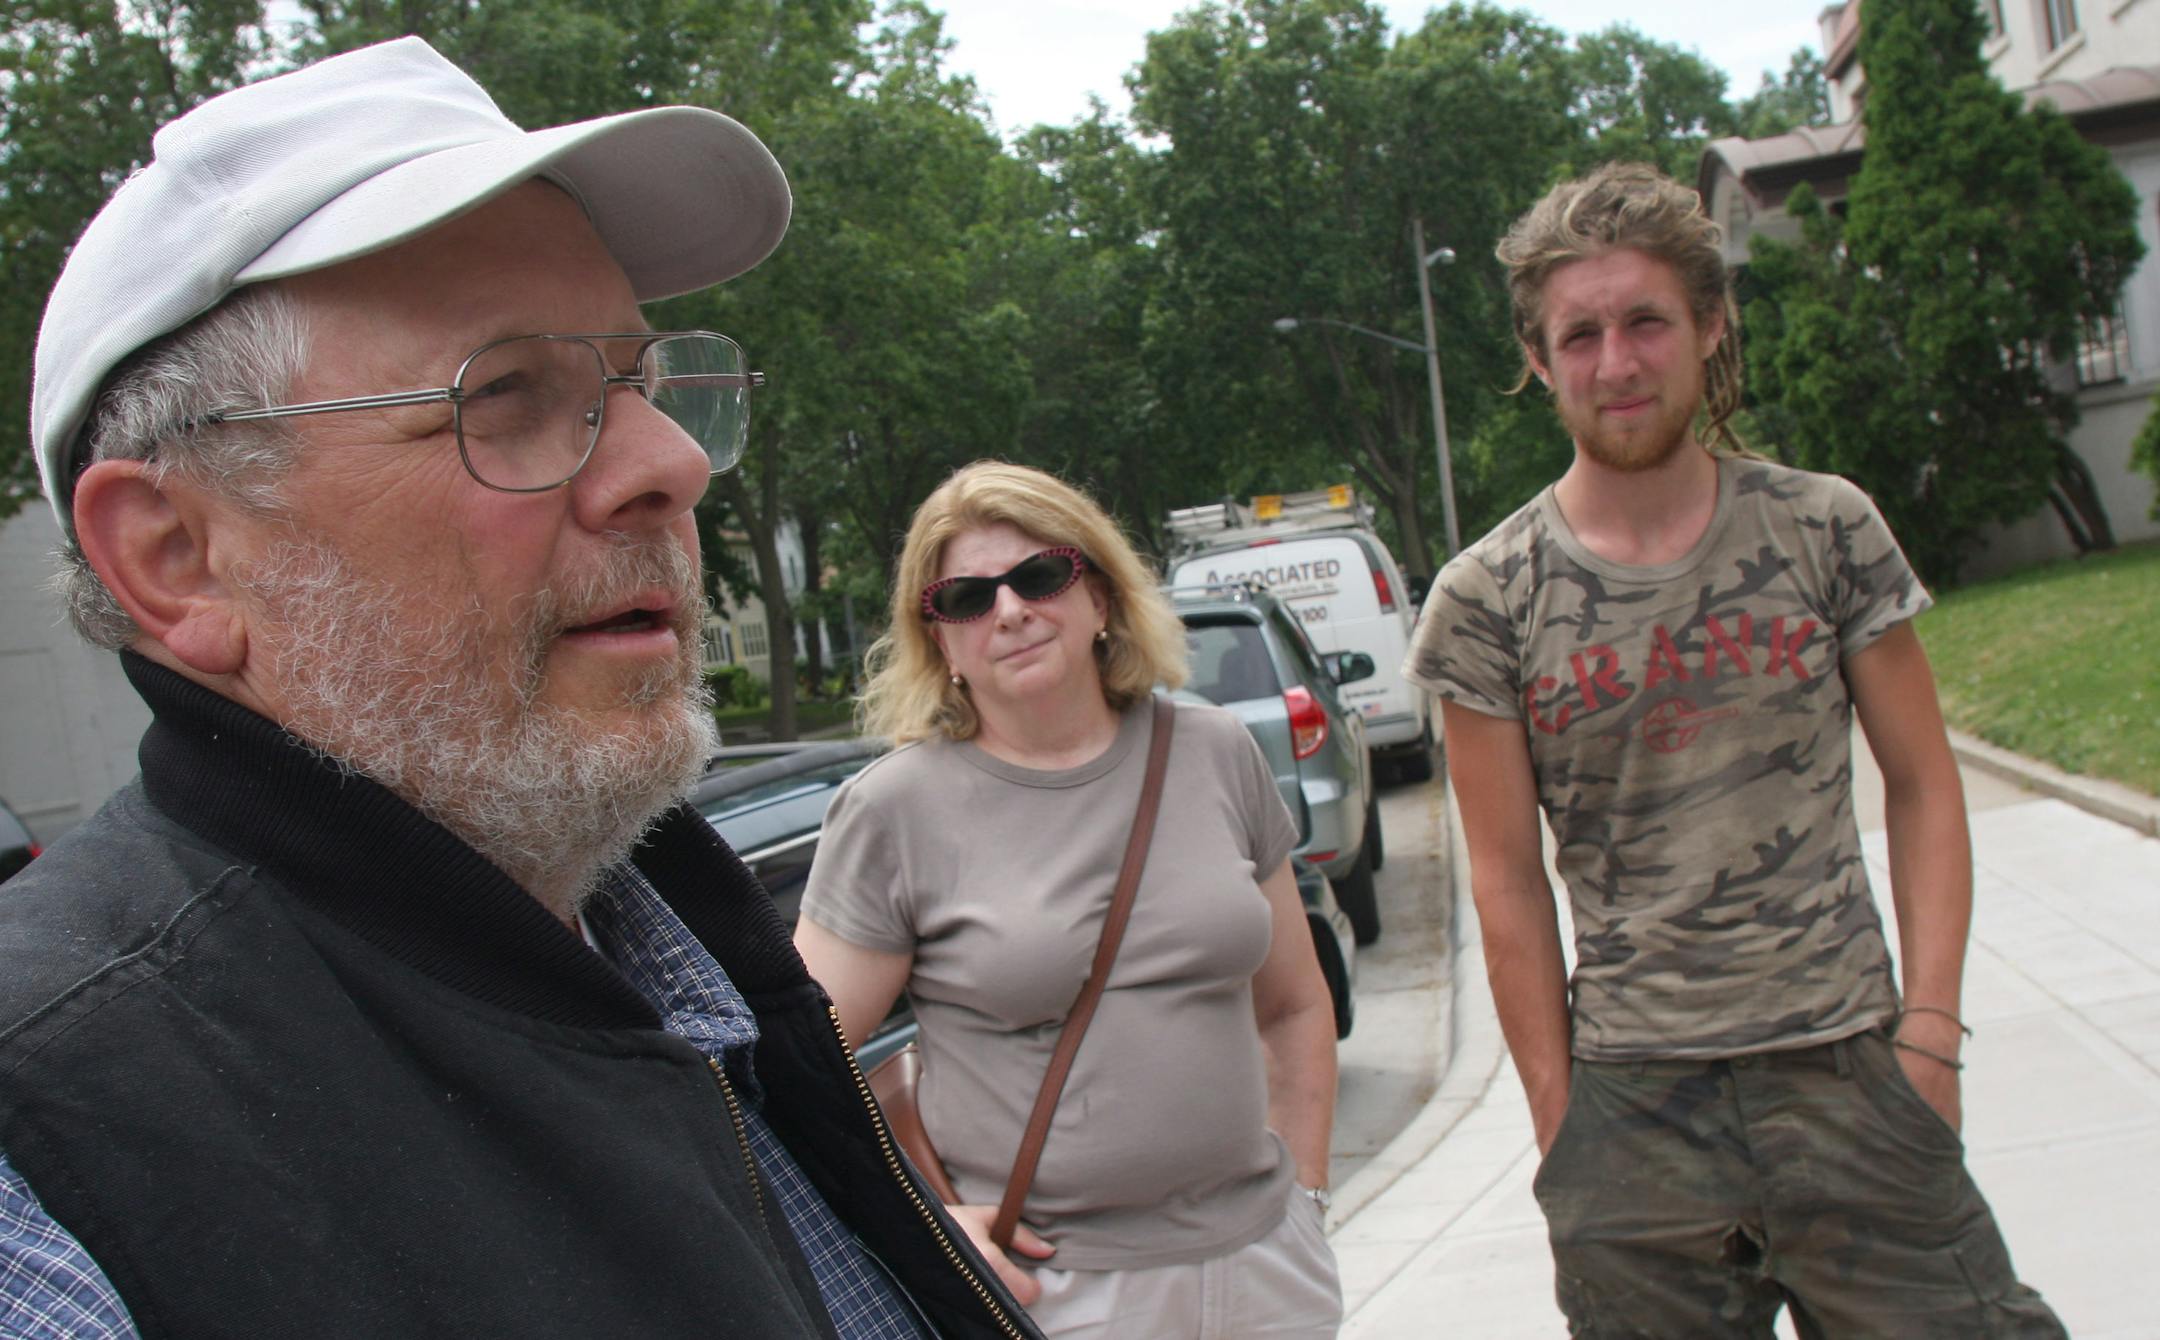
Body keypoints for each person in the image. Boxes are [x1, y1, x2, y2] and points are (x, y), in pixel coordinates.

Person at [0, 38, 1040, 1339]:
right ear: (178, 558)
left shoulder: (675, 937)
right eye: (504, 395)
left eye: (639, 380)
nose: (668, 462)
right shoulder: (48, 1156)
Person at [1405, 162, 2065, 1337]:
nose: (1617, 362)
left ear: (1711, 326)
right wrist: (1567, 1127)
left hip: (1850, 1071)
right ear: (1539, 358)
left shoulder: (1824, 528)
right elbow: (1503, 880)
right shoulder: (1487, 599)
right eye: (1582, 333)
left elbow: (1921, 783)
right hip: (1634, 1106)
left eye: (1647, 320)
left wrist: (1931, 1035)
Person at [794, 462, 1343, 1338]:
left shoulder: (1215, 750)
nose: (1009, 611)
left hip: (1267, 1269)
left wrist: (1306, 1192)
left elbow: (1296, 1005)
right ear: (940, 639)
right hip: (1060, 1299)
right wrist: (925, 1228)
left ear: (1100, 597)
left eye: (1040, 576)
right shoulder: (894, 811)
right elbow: (798, 1071)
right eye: (966, 598)